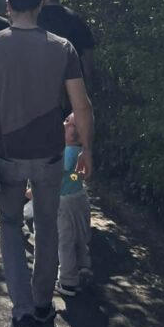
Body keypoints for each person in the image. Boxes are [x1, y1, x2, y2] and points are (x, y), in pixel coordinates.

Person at [0, 0, 94, 327]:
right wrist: (87, 149)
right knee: (47, 225)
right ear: (40, 6)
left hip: (8, 150)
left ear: (7, 6)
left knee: (10, 227)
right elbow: (81, 105)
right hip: (50, 151)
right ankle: (42, 303)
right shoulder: (62, 47)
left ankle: (21, 314)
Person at [55, 113, 92, 297]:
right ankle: (83, 267)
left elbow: (57, 172)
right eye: (66, 120)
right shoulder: (80, 151)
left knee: (66, 241)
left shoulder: (68, 152)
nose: (64, 124)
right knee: (80, 236)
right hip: (79, 196)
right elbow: (77, 175)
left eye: (69, 123)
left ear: (73, 133)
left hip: (65, 201)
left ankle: (68, 281)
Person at [37, 0, 96, 85]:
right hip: (72, 79)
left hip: (41, 79)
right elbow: (88, 50)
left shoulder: (35, 19)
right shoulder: (75, 18)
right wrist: (88, 79)